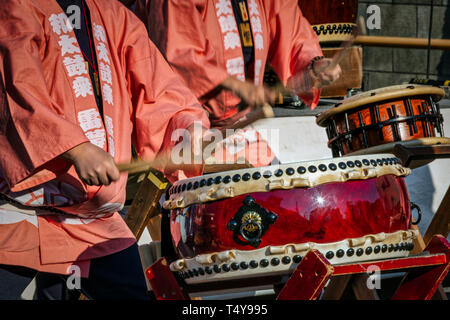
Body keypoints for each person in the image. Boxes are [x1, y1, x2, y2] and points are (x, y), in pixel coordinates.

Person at [0, 0, 209, 299]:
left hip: (95, 220)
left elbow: (159, 88)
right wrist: (76, 149)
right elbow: (17, 88)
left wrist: (187, 127)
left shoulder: (112, 13)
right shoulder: (17, 6)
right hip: (22, 213)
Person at [134, 0, 342, 166]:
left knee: (281, 194)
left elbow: (291, 24)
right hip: (187, 131)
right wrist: (236, 86)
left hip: (243, 129)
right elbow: (180, 53)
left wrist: (313, 63)